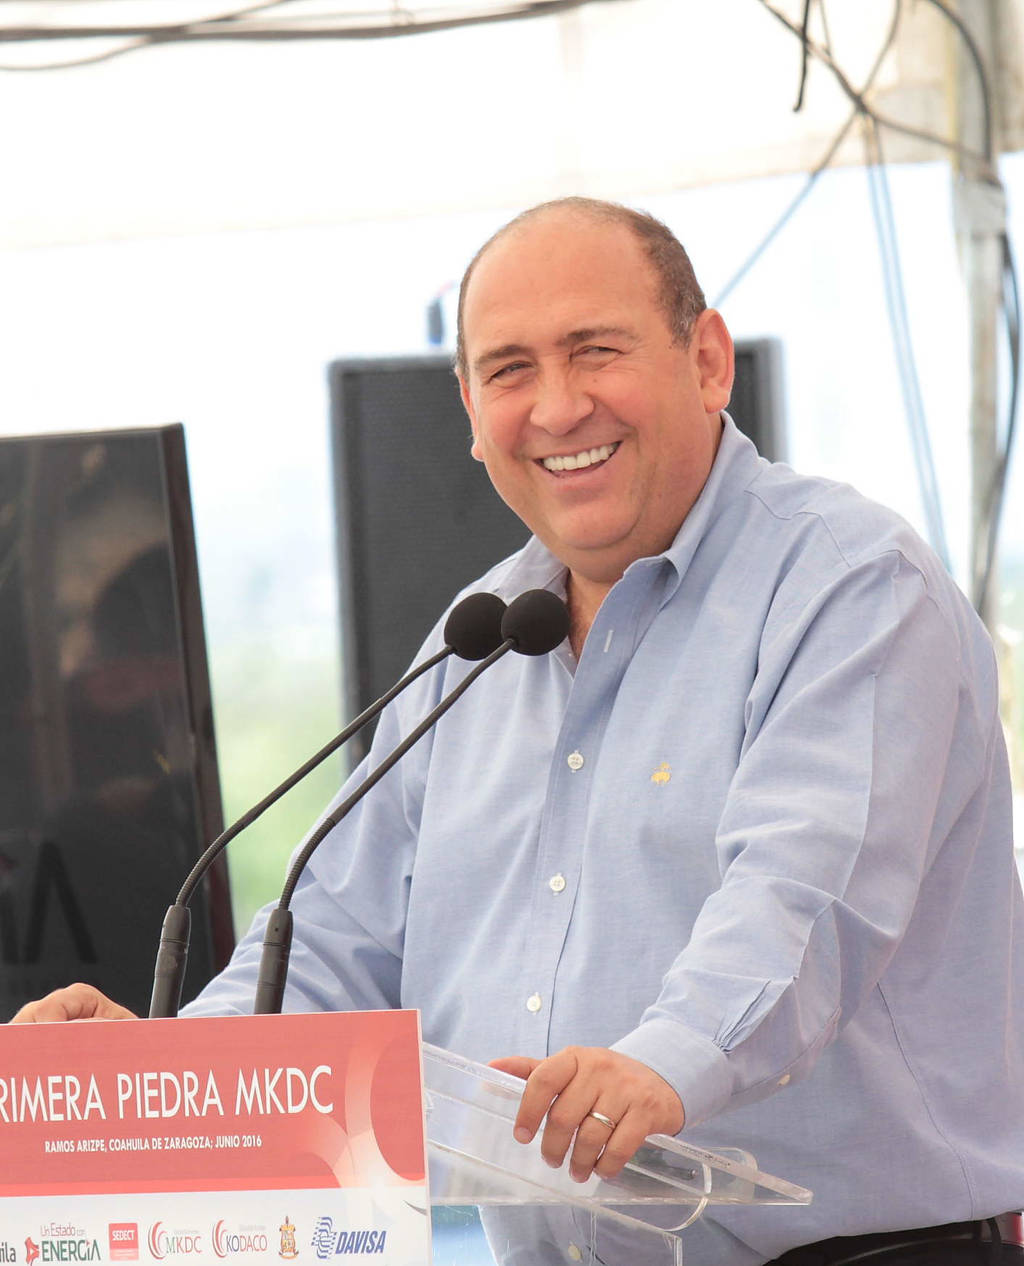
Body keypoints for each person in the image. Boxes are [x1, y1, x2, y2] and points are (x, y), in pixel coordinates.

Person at [14, 197, 1024, 1266]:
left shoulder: (851, 585)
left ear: (707, 362)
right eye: (509, 371)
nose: (557, 407)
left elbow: (805, 900)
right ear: (469, 410)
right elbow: (335, 941)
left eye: (596, 351)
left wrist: (665, 1063)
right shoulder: (478, 641)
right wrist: (165, 1077)